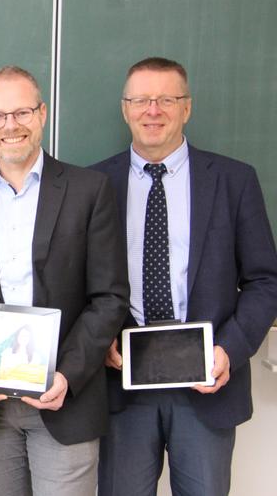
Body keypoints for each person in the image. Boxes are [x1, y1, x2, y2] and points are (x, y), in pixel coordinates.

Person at [0, 65, 129, 496]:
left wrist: (68, 374)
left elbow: (110, 297)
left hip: (65, 398)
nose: (11, 125)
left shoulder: (89, 190)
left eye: (22, 112)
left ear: (42, 113)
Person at [91, 57, 277, 496]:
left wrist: (229, 351)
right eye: (141, 99)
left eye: (166, 99)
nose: (152, 110)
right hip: (122, 387)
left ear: (187, 108)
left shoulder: (234, 180)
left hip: (206, 387)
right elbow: (76, 281)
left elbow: (265, 280)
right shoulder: (94, 183)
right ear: (125, 108)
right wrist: (98, 342)